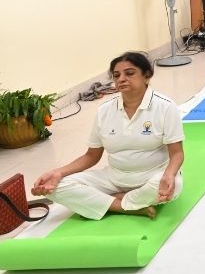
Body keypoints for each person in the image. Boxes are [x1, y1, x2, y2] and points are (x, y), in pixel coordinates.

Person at [32, 52, 184, 220]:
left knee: (174, 185)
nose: (121, 79)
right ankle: (125, 206)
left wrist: (169, 175)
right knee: (55, 186)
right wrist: (58, 172)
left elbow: (177, 153)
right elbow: (91, 156)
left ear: (147, 76)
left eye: (130, 73)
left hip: (151, 175)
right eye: (116, 75)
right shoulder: (104, 110)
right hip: (114, 177)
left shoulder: (165, 107)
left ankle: (109, 201)